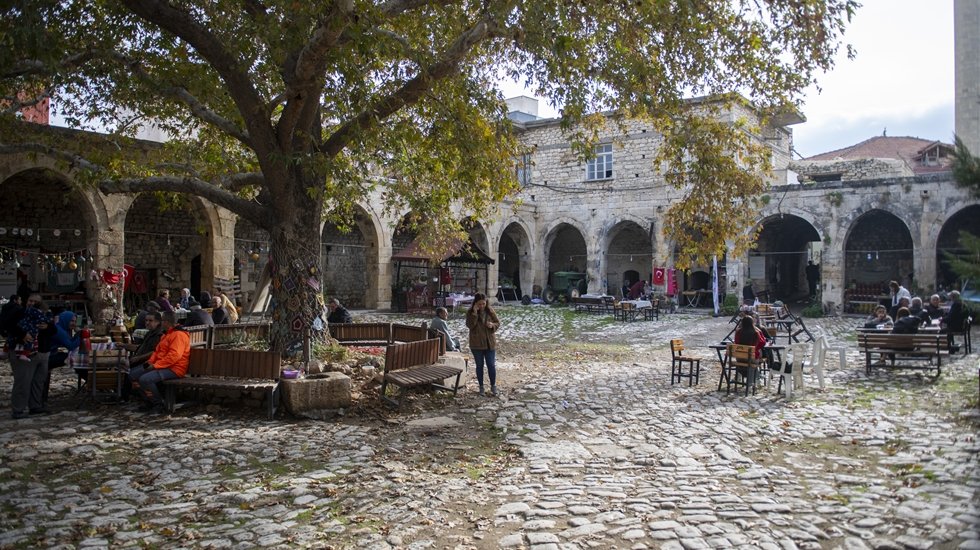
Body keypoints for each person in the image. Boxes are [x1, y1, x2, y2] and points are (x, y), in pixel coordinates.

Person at [128, 310, 189, 414]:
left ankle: (158, 404)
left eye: (162, 320)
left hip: (174, 368)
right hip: (162, 365)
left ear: (166, 322)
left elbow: (174, 356)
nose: (161, 323)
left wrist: (155, 366)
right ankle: (149, 401)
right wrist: (149, 363)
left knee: (145, 379)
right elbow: (157, 352)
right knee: (133, 374)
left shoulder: (179, 335)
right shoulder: (167, 334)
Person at [8, 295, 54, 418]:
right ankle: (18, 409)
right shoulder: (19, 313)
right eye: (30, 301)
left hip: (42, 352)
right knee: (23, 381)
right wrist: (21, 335)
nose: (32, 303)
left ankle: (35, 406)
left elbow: (53, 330)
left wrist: (48, 327)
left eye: (35, 302)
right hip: (23, 352)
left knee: (38, 381)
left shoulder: (44, 314)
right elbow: (9, 327)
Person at [466, 292, 500, 396]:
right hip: (476, 344)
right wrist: (475, 314)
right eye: (479, 304)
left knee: (491, 365)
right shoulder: (470, 312)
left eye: (483, 304)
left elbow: (498, 322)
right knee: (479, 366)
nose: (481, 306)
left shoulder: (490, 311)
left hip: (489, 343)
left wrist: (492, 325)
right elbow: (470, 325)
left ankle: (493, 386)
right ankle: (481, 387)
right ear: (475, 303)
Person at [44, 311, 81, 407]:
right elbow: (71, 346)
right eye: (71, 321)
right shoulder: (59, 331)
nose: (73, 323)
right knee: (72, 358)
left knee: (69, 357)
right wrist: (80, 336)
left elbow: (69, 341)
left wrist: (77, 335)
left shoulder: (61, 328)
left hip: (49, 355)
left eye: (74, 321)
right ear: (65, 320)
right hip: (48, 357)